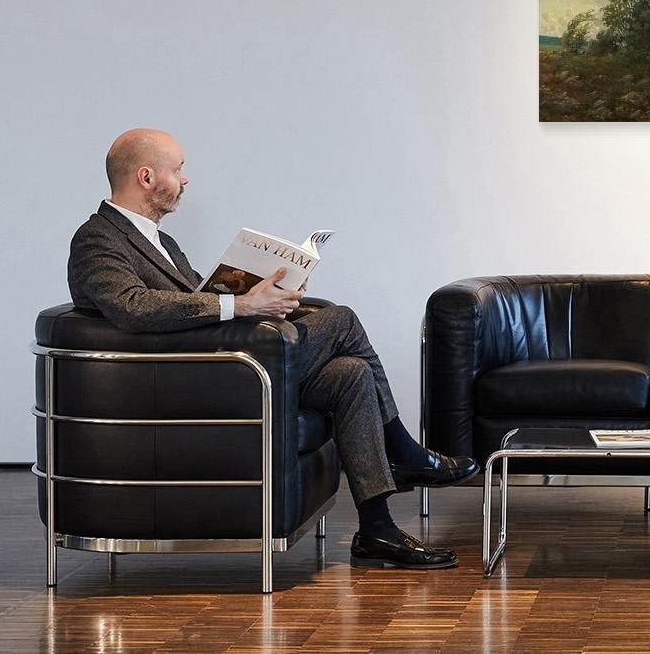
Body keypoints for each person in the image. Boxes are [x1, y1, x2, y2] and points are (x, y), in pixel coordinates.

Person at [67, 128, 477, 570]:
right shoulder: (96, 240)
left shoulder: (160, 242)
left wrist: (269, 295)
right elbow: (133, 307)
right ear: (146, 177)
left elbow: (198, 302)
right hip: (190, 382)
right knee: (342, 319)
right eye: (178, 169)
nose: (185, 179)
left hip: (227, 366)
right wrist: (242, 302)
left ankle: (376, 530)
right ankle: (407, 455)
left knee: (351, 375)